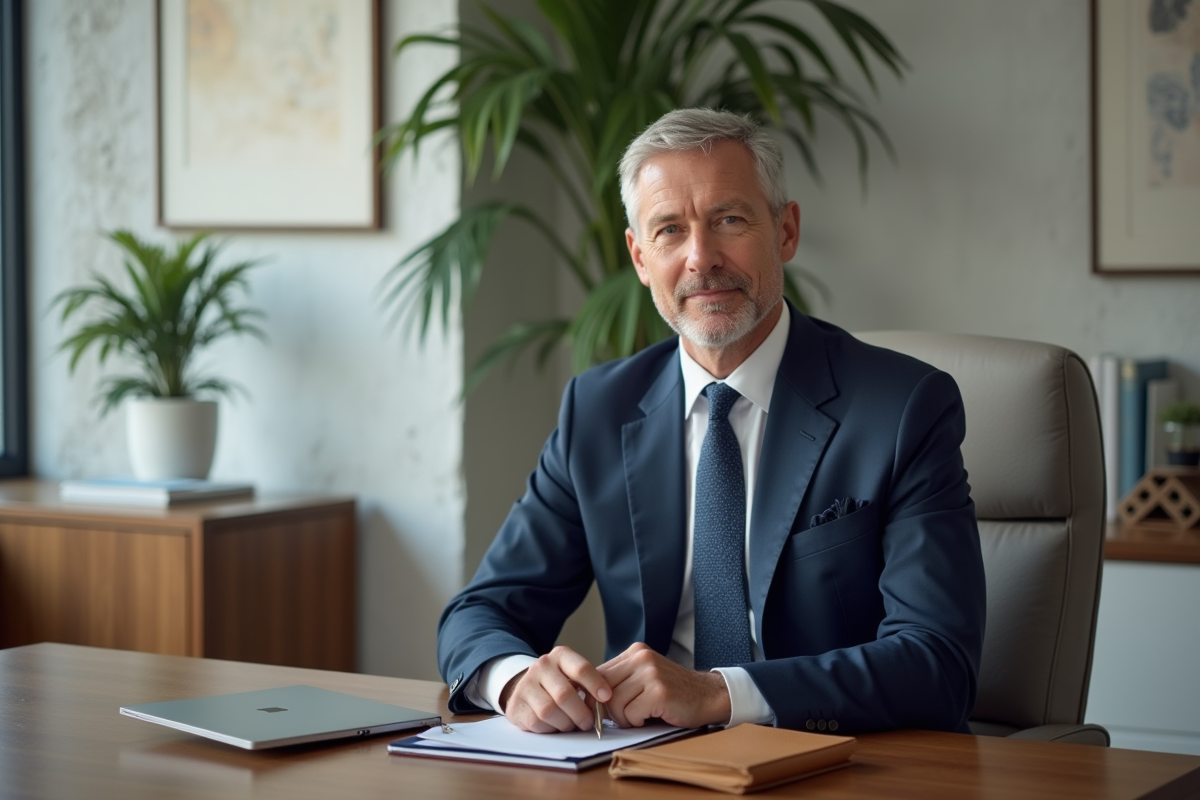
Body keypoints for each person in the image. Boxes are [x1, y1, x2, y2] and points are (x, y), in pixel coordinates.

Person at [437, 108, 986, 735]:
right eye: (669, 230)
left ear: (786, 231)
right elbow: (479, 613)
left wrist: (720, 693)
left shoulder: (903, 408)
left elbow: (939, 664)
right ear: (640, 258)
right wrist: (514, 680)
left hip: (835, 766)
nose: (701, 258)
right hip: (643, 766)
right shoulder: (597, 410)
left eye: (729, 219)